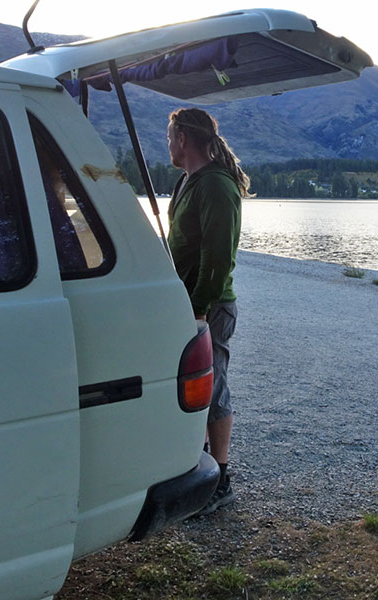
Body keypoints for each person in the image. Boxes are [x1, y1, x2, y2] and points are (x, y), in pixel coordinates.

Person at [166, 107, 247, 516]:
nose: (168, 144)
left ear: (183, 138)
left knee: (212, 388)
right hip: (188, 303)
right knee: (192, 387)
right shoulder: (189, 181)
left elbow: (218, 257)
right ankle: (195, 467)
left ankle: (221, 480)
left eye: (170, 136)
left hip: (209, 307)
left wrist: (198, 308)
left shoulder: (215, 185)